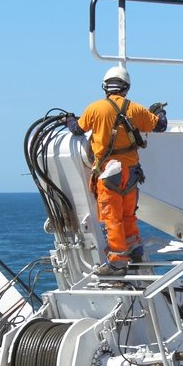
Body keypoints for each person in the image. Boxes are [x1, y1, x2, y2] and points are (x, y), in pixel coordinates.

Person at [67, 65, 167, 276]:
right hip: (131, 172)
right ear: (126, 87)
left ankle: (118, 262)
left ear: (105, 87)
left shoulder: (95, 109)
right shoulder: (136, 109)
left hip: (107, 173)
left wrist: (68, 119)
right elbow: (160, 125)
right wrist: (159, 111)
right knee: (128, 214)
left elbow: (77, 129)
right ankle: (135, 250)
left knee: (112, 217)